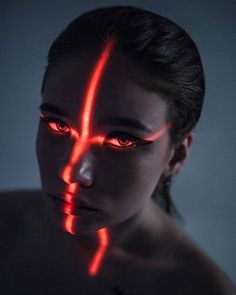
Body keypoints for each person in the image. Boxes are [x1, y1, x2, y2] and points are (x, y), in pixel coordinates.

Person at [0, 5, 235, 295]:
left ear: (176, 156)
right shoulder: (4, 226)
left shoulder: (199, 289)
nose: (73, 171)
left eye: (120, 140)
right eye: (58, 126)